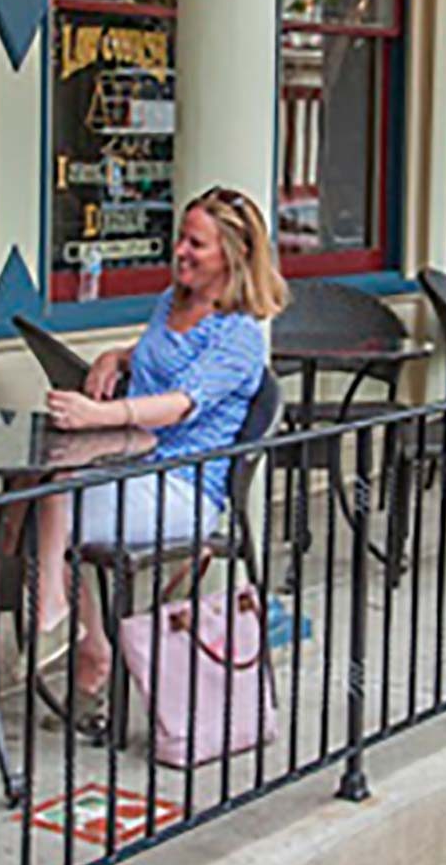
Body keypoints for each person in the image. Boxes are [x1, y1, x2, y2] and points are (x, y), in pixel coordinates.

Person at [41, 187, 285, 743]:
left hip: (183, 484)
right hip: (129, 465)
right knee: (28, 496)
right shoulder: (172, 301)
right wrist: (114, 356)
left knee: (43, 500)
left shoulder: (241, 336)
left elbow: (182, 403)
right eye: (180, 237)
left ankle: (69, 629)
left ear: (234, 254)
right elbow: (155, 353)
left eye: (196, 244)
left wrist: (97, 414)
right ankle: (82, 638)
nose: (180, 251)